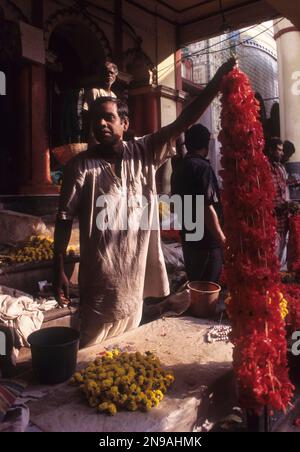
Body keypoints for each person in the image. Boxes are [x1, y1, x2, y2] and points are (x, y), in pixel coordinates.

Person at [53, 58, 236, 347]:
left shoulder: (144, 152)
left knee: (125, 351)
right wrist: (58, 268)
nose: (100, 124)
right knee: (90, 355)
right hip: (99, 290)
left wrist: (217, 81)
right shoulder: (80, 167)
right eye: (95, 120)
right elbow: (63, 218)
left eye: (108, 118)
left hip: (134, 289)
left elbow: (184, 120)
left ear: (124, 123)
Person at [171, 124, 225, 283]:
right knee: (208, 288)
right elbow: (206, 207)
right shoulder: (202, 168)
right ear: (206, 144)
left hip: (189, 237)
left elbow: (175, 205)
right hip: (206, 241)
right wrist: (221, 238)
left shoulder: (179, 168)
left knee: (195, 285)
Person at [81, 61, 118, 142]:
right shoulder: (94, 92)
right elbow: (87, 113)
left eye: (111, 73)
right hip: (96, 131)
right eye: (106, 72)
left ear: (115, 76)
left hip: (110, 131)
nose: (109, 75)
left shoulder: (114, 96)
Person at [267, 137, 290, 266]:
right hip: (272, 221)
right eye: (279, 150)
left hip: (283, 220)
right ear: (271, 150)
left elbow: (284, 190)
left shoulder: (281, 168)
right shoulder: (265, 168)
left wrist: (288, 205)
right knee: (272, 259)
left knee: (280, 259)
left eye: (282, 151)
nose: (281, 153)